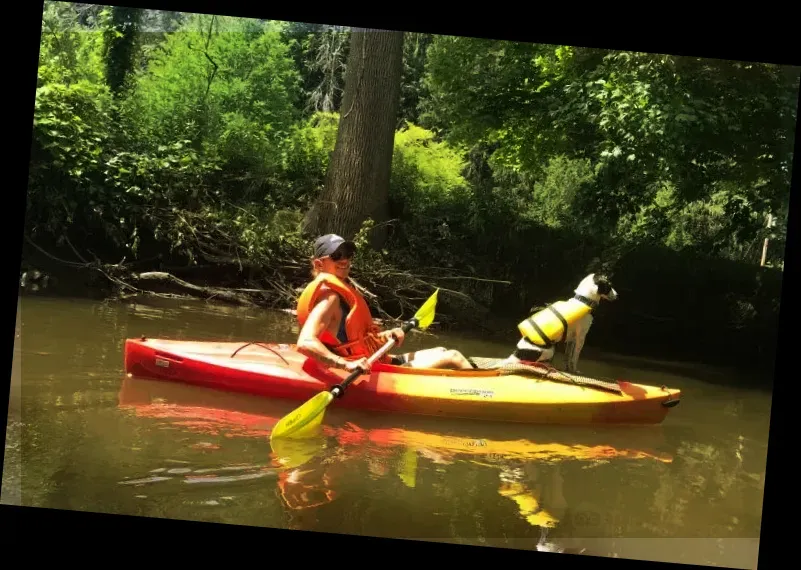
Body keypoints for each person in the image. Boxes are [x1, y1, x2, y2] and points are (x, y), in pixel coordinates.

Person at [295, 233, 475, 372]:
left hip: (378, 360)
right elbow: (305, 342)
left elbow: (356, 339)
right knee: (454, 356)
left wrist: (387, 335)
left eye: (348, 254)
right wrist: (344, 365)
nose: (345, 259)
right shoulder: (330, 299)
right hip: (366, 368)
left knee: (441, 350)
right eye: (336, 255)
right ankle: (485, 392)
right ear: (319, 264)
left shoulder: (339, 293)